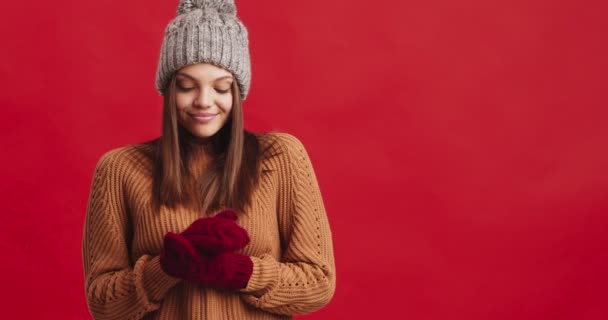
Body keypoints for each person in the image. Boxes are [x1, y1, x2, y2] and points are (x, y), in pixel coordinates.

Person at [81, 0, 336, 319]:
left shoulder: (281, 157)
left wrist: (238, 272)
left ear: (237, 93)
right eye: (187, 86)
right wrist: (165, 268)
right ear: (168, 90)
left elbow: (318, 282)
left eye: (221, 88)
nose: (204, 101)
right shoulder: (119, 169)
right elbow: (102, 303)